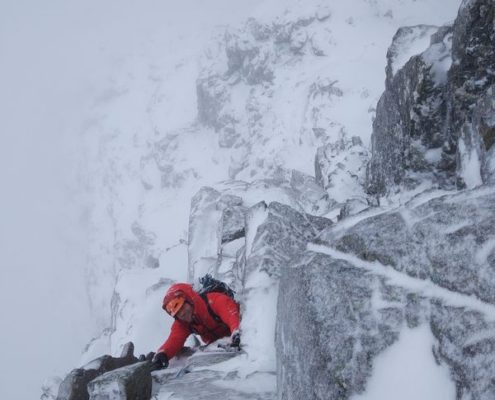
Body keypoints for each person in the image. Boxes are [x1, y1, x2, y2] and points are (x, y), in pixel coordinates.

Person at [152, 282, 241, 369]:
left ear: (189, 300)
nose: (182, 313)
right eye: (177, 313)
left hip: (242, 336)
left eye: (182, 307)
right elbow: (174, 340)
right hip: (219, 348)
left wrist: (235, 332)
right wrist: (163, 354)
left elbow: (231, 314)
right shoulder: (183, 323)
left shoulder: (214, 300)